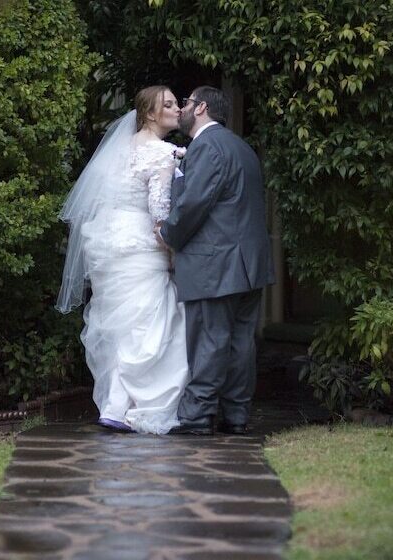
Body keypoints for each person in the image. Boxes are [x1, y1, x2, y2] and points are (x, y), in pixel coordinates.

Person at [56, 86, 189, 434]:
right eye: (170, 104)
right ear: (150, 114)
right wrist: (172, 250)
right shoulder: (164, 154)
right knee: (148, 323)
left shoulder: (117, 151)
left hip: (107, 243)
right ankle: (130, 406)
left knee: (119, 325)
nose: (178, 109)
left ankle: (115, 406)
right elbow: (159, 210)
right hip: (141, 244)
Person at [155, 86, 274, 435]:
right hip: (249, 265)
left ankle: (197, 416)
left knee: (209, 339)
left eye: (188, 102)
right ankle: (236, 416)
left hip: (216, 262)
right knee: (240, 343)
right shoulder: (242, 147)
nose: (183, 109)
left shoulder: (207, 146)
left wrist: (167, 234)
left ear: (203, 107)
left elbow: (194, 203)